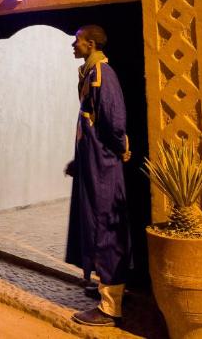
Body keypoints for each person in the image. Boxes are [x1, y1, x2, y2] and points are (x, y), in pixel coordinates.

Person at [65, 25, 132, 327]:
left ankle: (110, 306)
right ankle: (105, 283)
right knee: (94, 223)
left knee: (104, 225)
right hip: (93, 163)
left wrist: (119, 149)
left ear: (90, 44)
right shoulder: (91, 74)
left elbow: (114, 122)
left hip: (103, 166)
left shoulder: (103, 75)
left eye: (76, 41)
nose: (73, 45)